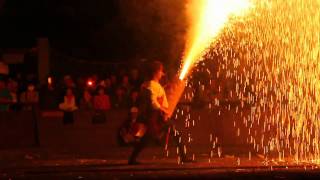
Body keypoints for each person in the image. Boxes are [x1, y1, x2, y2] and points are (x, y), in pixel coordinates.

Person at [128, 61, 192, 165]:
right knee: (148, 138)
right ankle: (132, 159)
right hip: (156, 117)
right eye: (161, 71)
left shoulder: (152, 84)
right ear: (155, 72)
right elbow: (153, 102)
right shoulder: (151, 85)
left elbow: (157, 96)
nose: (162, 73)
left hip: (157, 117)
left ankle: (183, 156)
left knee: (173, 133)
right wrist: (163, 110)